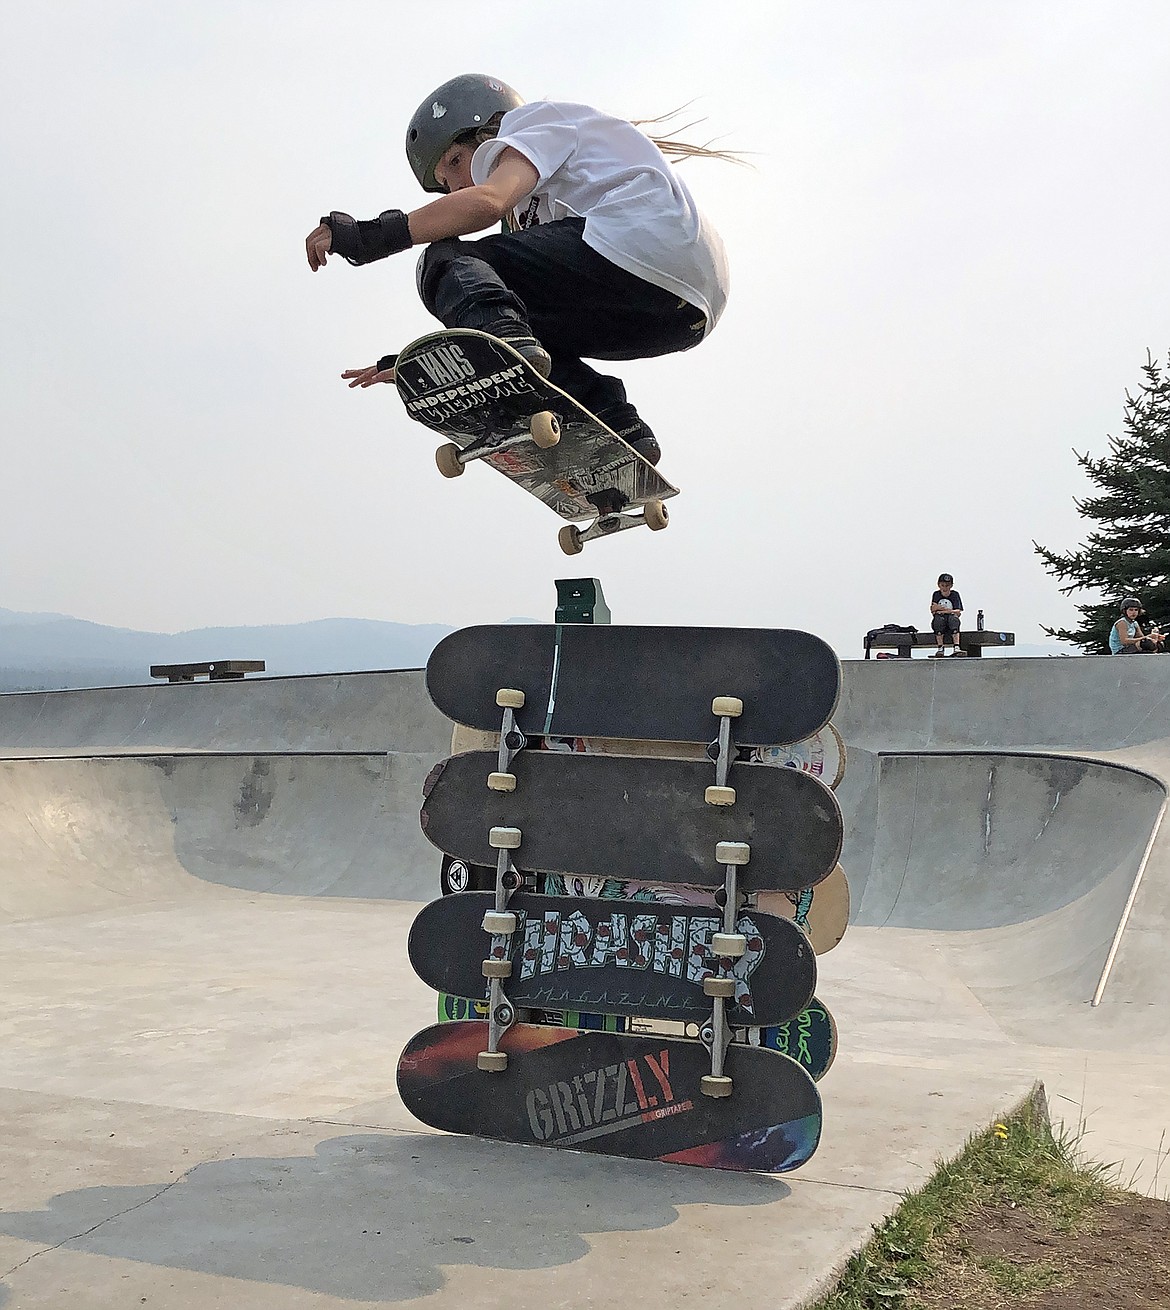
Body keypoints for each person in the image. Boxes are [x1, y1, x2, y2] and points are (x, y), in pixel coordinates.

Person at [304, 74, 732, 465]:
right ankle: (613, 422)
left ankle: (501, 344)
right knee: (516, 312)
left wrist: (363, 236)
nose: (455, 185)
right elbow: (506, 290)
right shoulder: (542, 214)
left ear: (486, 128)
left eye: (455, 161)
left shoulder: (530, 125)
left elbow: (489, 201)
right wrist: (428, 362)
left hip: (642, 245)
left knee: (444, 258)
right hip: (681, 311)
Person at [929, 573, 965, 656]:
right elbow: (933, 610)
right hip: (941, 621)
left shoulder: (955, 595)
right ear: (939, 585)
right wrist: (948, 610)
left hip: (951, 620)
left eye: (947, 585)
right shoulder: (936, 594)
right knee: (937, 621)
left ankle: (956, 646)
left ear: (951, 586)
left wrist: (941, 609)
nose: (944, 588)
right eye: (942, 585)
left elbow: (958, 612)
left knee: (954, 620)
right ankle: (940, 647)